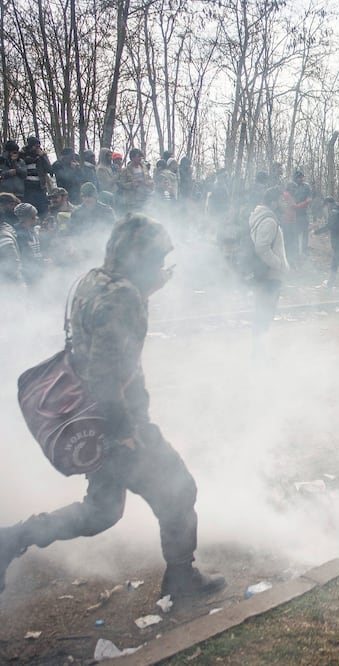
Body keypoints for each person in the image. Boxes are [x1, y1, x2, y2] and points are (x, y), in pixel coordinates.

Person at [0, 214, 226, 600]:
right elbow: (107, 375)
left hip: (93, 417)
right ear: (137, 257)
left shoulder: (94, 280)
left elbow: (101, 332)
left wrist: (145, 290)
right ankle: (181, 579)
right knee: (179, 491)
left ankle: (12, 538)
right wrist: (124, 435)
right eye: (155, 258)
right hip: (121, 422)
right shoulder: (125, 297)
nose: (159, 266)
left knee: (101, 511)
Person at [249, 186, 289, 344]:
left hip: (266, 274)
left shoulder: (264, 217)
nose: (284, 203)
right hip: (269, 276)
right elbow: (262, 248)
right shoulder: (269, 220)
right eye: (281, 200)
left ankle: (259, 351)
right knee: (264, 314)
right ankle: (258, 353)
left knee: (263, 313)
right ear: (273, 202)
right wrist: (279, 264)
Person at [314, 196, 339, 289]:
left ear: (328, 204)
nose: (326, 208)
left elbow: (329, 226)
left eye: (326, 205)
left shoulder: (333, 212)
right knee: (335, 264)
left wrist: (316, 232)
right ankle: (330, 285)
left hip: (338, 243)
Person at [20, 136, 53, 214]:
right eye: (36, 146)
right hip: (27, 187)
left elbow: (49, 169)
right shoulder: (22, 155)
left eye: (39, 146)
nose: (37, 148)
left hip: (40, 186)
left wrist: (43, 156)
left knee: (43, 208)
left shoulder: (41, 156)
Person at [287, 169, 312, 258]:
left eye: (302, 177)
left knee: (305, 232)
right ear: (295, 178)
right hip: (294, 213)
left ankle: (304, 250)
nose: (301, 179)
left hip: (303, 212)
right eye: (299, 177)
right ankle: (296, 252)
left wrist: (307, 202)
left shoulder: (306, 186)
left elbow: (309, 198)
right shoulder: (291, 186)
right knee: (295, 233)